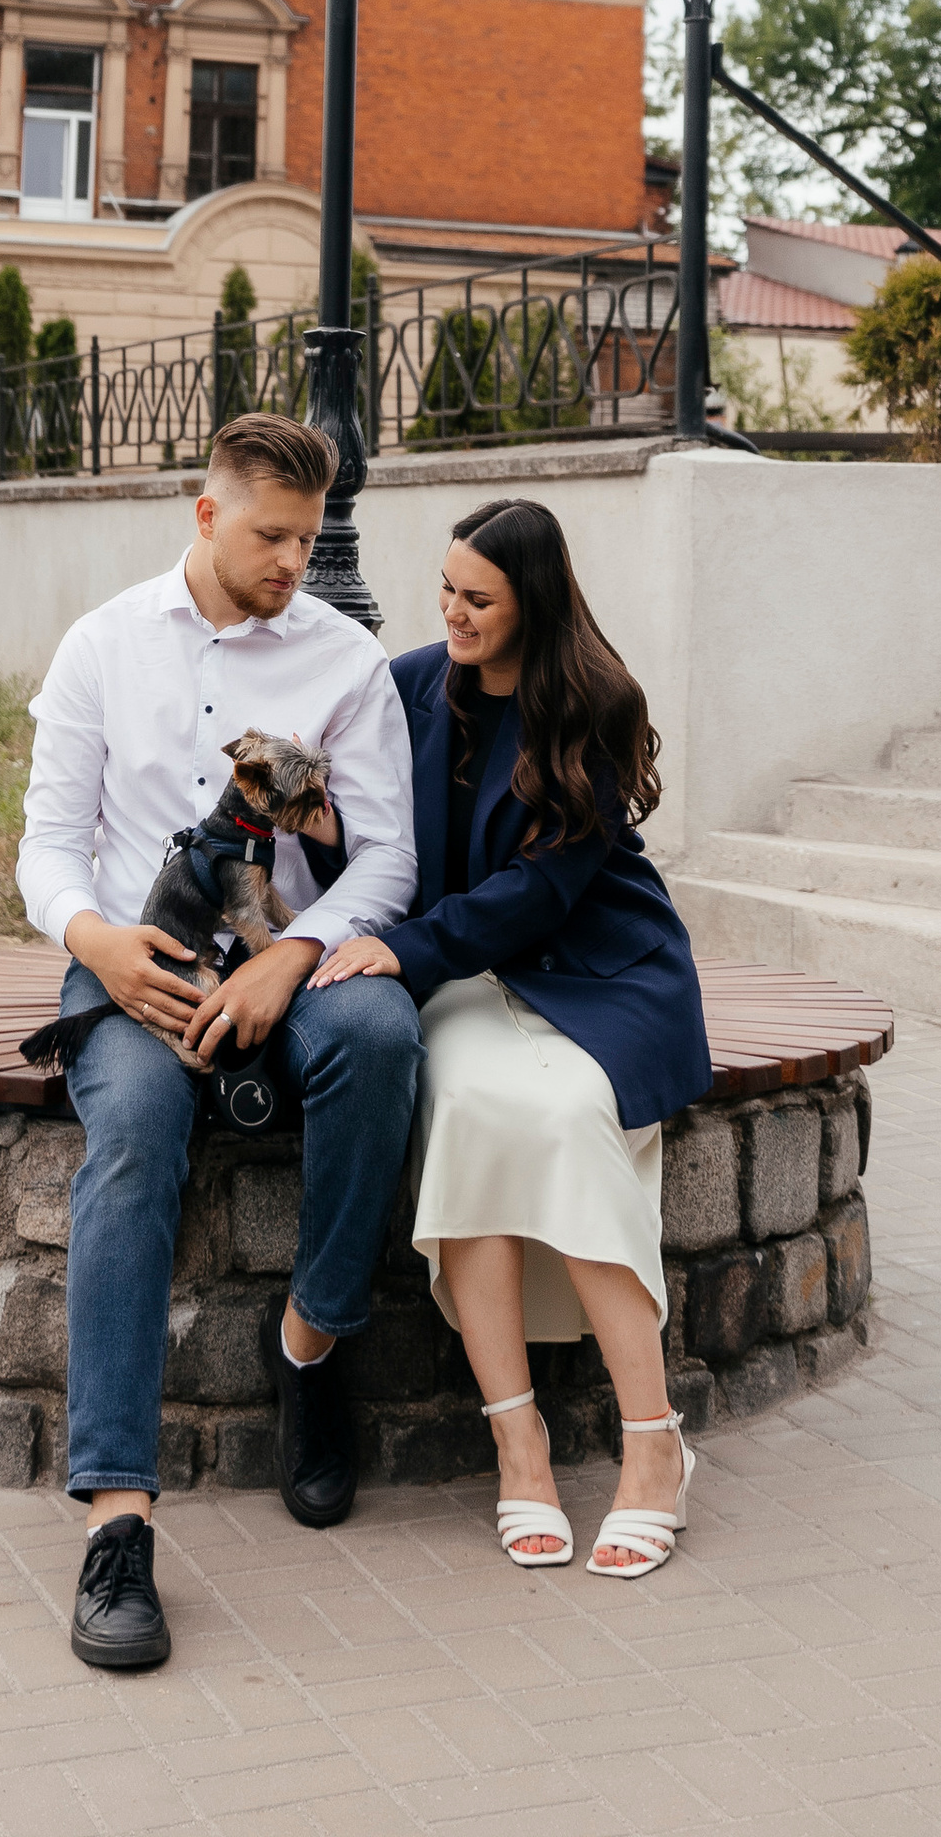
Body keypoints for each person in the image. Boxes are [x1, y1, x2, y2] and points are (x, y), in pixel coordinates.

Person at [17, 412, 420, 1674]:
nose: (292, 559)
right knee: (132, 1137)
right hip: (141, 971)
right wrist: (96, 943)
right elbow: (47, 842)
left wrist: (297, 956)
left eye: (308, 536)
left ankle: (312, 1343)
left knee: (383, 1035)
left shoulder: (345, 659)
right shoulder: (102, 646)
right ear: (205, 515)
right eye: (269, 534)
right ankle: (118, 1523)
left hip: (291, 965)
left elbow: (390, 853)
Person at [312, 496, 714, 1581]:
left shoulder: (595, 699)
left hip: (598, 968)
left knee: (571, 1116)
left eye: (477, 598)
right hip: (460, 973)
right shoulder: (407, 686)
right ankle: (516, 1440)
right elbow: (373, 824)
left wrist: (406, 953)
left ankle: (652, 1443)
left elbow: (542, 891)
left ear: (531, 601)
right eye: (444, 588)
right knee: (476, 1109)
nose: (452, 612)